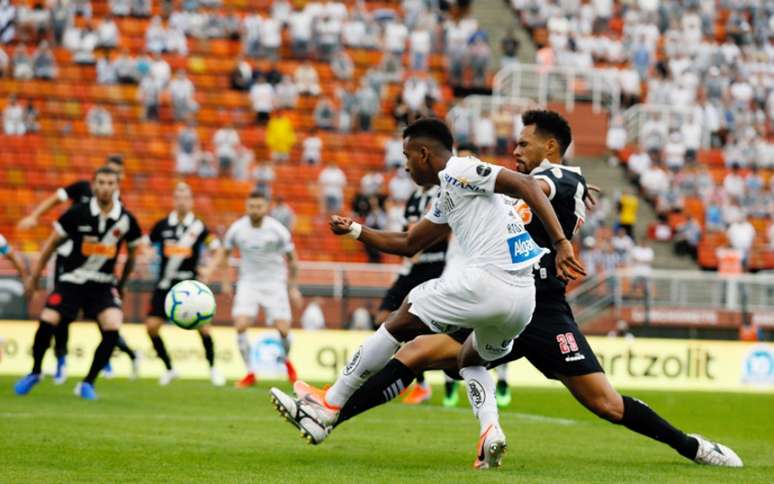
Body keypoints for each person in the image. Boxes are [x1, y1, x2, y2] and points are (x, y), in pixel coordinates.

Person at [287, 110, 743, 469]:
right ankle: (331, 416)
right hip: (506, 297)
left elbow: (534, 184)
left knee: (606, 403)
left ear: (550, 146)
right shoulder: (543, 184)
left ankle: (693, 447)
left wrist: (564, 199)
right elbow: (424, 234)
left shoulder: (559, 178)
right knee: (418, 353)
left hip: (543, 308)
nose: (515, 149)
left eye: (523, 142)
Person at [270, 117, 584, 469]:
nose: (404, 165)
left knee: (401, 318)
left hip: (489, 283)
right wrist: (357, 230)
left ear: (423, 154)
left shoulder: (459, 169)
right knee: (470, 359)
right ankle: (490, 431)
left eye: (406, 156)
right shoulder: (449, 191)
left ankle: (329, 403)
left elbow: (526, 183)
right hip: (521, 301)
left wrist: (561, 243)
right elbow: (409, 243)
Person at [15, 167, 143, 400]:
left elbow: (133, 255)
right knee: (47, 320)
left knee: (113, 325)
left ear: (117, 187)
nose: (105, 188)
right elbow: (51, 244)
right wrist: (35, 277)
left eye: (110, 183)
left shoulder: (126, 220)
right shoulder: (78, 212)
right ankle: (35, 372)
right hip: (72, 279)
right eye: (101, 183)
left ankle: (87, 383)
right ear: (94, 185)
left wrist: (122, 284)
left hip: (102, 284)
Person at [213, 191, 302, 388]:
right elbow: (225, 254)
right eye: (251, 206)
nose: (255, 210)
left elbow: (293, 261)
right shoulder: (237, 229)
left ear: (266, 207)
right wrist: (226, 280)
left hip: (274, 283)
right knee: (240, 325)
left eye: (259, 207)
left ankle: (287, 362)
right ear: (247, 207)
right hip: (248, 282)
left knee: (283, 329)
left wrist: (293, 287)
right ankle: (250, 372)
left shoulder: (277, 230)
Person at [143, 183, 224, 386]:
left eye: (186, 197)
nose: (182, 200)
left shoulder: (199, 227)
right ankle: (170, 369)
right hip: (165, 284)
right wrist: (147, 254)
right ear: (174, 199)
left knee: (204, 329)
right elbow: (145, 244)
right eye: (178, 196)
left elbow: (218, 249)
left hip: (191, 287)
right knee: (151, 327)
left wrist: (209, 270)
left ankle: (213, 369)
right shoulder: (162, 225)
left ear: (191, 200)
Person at [375, 182, 449, 406]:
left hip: (436, 267)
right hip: (411, 269)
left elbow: (444, 230)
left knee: (424, 328)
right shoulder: (414, 198)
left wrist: (421, 244)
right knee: (382, 317)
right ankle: (417, 382)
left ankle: (430, 384)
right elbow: (410, 230)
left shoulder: (441, 194)